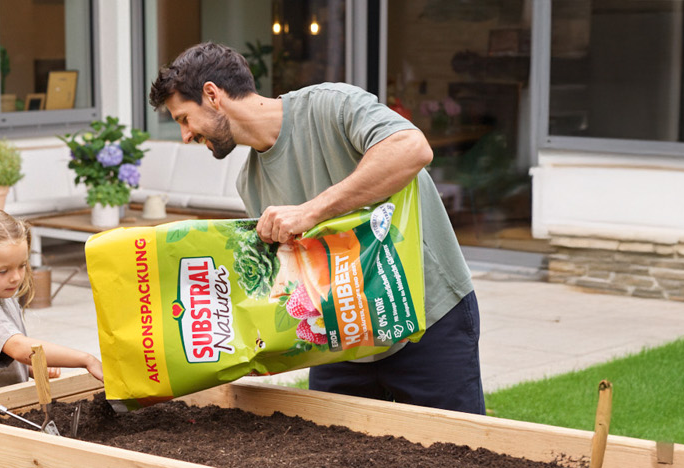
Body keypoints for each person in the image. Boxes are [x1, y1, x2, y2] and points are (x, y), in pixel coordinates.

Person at [148, 42, 484, 414]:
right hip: (343, 338)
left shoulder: (331, 105)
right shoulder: (250, 183)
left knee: (456, 449)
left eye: (183, 119)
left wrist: (312, 211)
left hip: (428, 319)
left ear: (212, 95)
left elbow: (411, 148)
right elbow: (295, 278)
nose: (185, 135)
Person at [0, 208, 103, 392]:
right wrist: (86, 359)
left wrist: (32, 367)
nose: (16, 277)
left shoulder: (3, 296)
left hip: (4, 401)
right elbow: (20, 349)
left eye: (22, 265)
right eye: (3, 271)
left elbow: (7, 355)